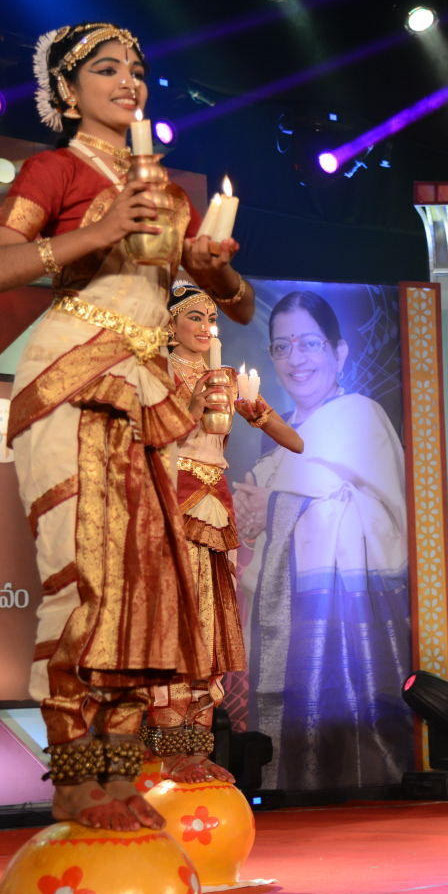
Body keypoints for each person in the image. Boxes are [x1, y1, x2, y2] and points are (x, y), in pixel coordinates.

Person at [0, 22, 256, 831]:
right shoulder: (54, 168)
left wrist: (213, 269)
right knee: (84, 579)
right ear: (67, 90)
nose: (129, 80)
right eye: (106, 69)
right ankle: (71, 777)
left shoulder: (169, 193)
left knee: (145, 589)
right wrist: (95, 232)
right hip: (68, 376)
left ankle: (121, 777)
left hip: (145, 390)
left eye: (136, 69)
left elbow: (237, 303)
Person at [237, 291, 411, 790]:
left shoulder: (359, 415)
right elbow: (269, 525)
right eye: (282, 346)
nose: (295, 359)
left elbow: (380, 517)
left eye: (309, 344)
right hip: (290, 605)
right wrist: (256, 515)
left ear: (339, 352)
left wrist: (274, 504)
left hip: (349, 609)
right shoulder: (282, 436)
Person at [142, 283, 302, 783]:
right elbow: (152, 437)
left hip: (216, 511)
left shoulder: (223, 378)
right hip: (172, 503)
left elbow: (294, 442)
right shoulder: (154, 372)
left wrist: (252, 407)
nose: (206, 325)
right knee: (176, 627)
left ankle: (197, 749)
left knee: (209, 633)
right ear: (169, 325)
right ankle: (170, 752)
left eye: (212, 317)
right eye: (194, 316)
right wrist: (196, 398)